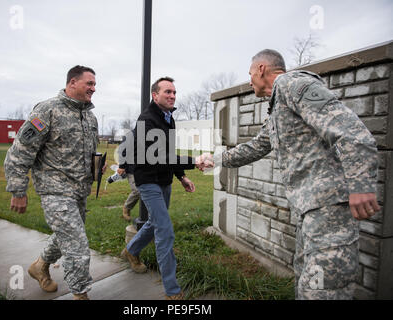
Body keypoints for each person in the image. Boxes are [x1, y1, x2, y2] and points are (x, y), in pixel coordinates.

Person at [200, 49, 380, 300]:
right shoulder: (277, 108)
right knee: (307, 283)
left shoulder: (292, 84)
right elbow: (256, 146)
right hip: (311, 212)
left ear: (261, 69)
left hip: (329, 210)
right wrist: (214, 160)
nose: (249, 79)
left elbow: (351, 132)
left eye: (250, 73)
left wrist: (360, 185)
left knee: (323, 291)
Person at [4, 65, 105, 300]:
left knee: (66, 235)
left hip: (79, 190)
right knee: (77, 246)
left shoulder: (89, 117)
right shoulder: (47, 110)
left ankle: (39, 266)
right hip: (54, 191)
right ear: (72, 83)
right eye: (89, 83)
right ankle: (81, 294)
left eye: (94, 84)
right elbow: (20, 152)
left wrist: (94, 173)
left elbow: (88, 152)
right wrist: (18, 190)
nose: (93, 88)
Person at [120, 77, 203, 300]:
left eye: (174, 92)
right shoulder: (146, 120)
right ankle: (172, 290)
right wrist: (194, 161)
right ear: (154, 95)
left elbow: (169, 153)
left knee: (154, 222)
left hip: (164, 179)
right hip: (147, 181)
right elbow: (157, 155)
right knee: (164, 230)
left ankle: (131, 250)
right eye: (167, 92)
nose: (172, 96)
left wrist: (182, 176)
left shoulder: (169, 119)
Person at [117, 134, 140, 221]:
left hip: (144, 170)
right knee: (137, 191)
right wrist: (122, 166)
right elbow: (122, 151)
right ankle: (126, 208)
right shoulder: (130, 136)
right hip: (131, 169)